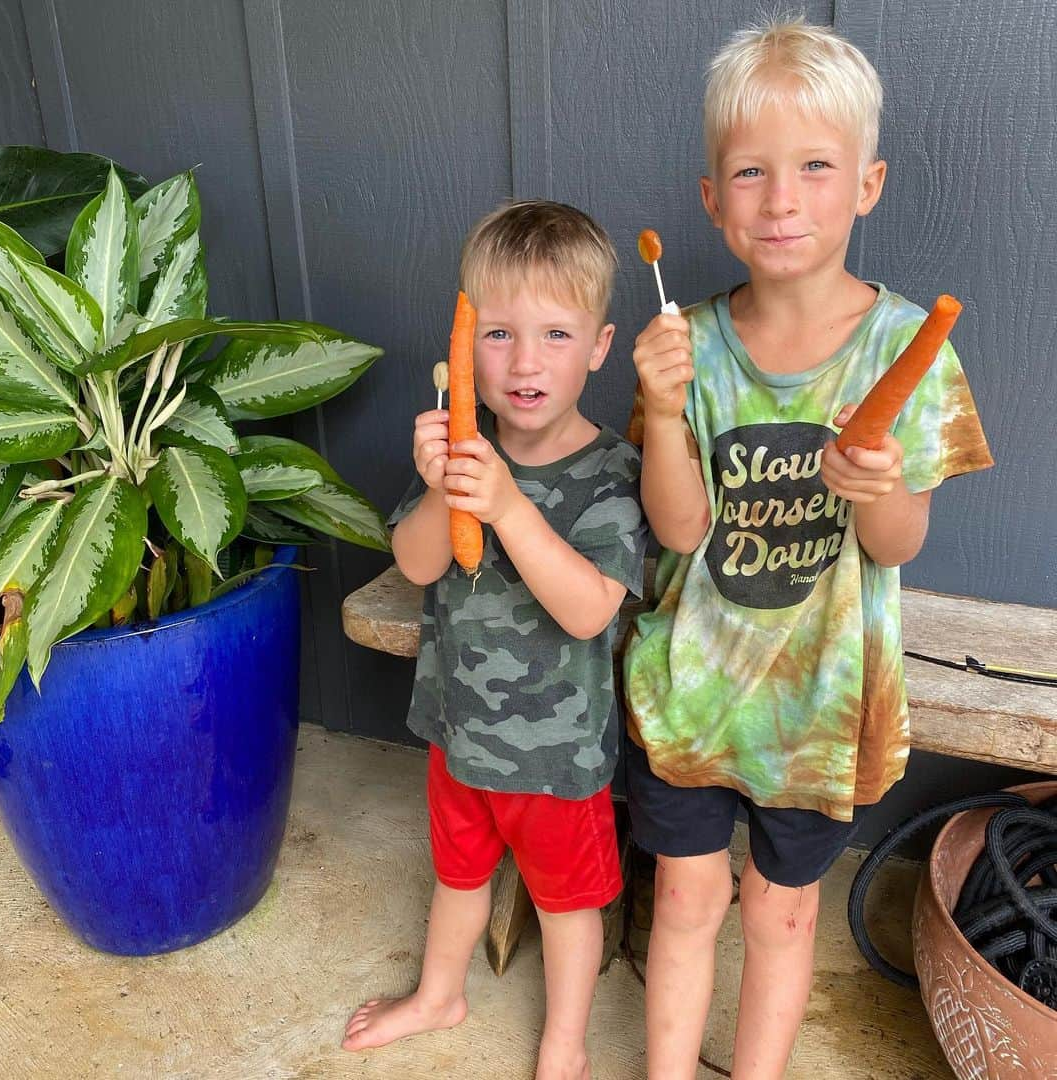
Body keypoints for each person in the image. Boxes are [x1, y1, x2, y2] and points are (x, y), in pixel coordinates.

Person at [623, 18, 993, 1079]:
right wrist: (657, 414)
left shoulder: (907, 346)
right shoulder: (682, 344)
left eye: (814, 169)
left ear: (866, 185)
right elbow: (682, 528)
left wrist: (879, 489)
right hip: (693, 687)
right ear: (711, 198)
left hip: (823, 709)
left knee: (781, 919)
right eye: (751, 172)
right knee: (686, 899)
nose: (781, 199)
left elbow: (896, 542)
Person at [343, 200, 648, 1080]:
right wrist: (445, 488)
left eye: (556, 334)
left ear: (597, 346)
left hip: (556, 759)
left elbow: (590, 609)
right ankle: (441, 993)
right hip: (460, 732)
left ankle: (566, 1043)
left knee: (566, 905)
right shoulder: (459, 446)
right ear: (464, 345)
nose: (524, 362)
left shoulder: (607, 473)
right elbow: (415, 561)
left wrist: (509, 506)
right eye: (501, 333)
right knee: (457, 878)